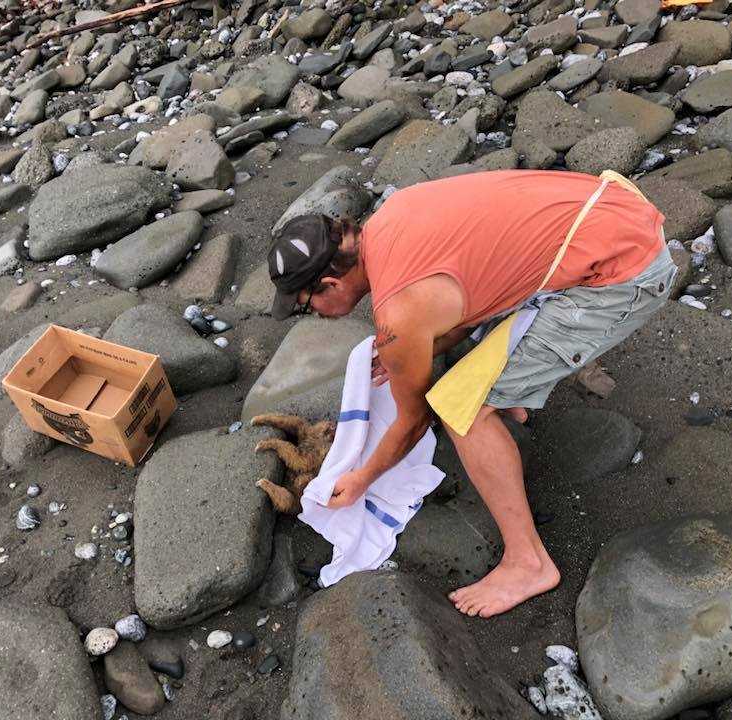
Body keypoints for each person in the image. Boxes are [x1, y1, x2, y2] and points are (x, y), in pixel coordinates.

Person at [266, 169, 676, 618]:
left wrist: (361, 479)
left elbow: (413, 420)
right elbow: (463, 295)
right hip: (613, 205)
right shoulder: (394, 214)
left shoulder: (398, 317)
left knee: (462, 409)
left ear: (328, 285)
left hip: (622, 273)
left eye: (307, 306)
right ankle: (516, 386)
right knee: (479, 345)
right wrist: (416, 350)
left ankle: (528, 562)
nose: (314, 316)